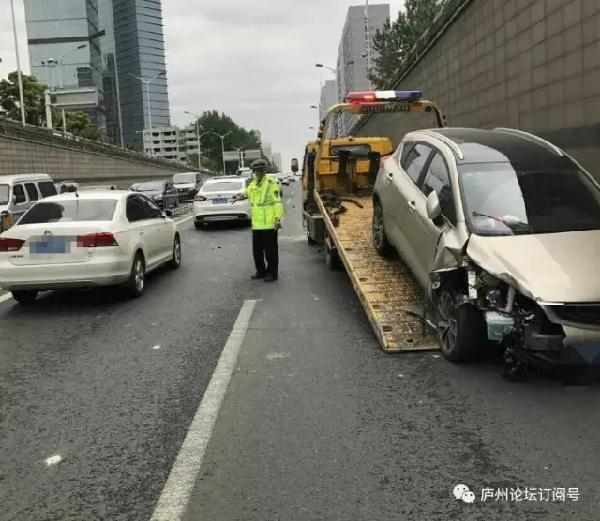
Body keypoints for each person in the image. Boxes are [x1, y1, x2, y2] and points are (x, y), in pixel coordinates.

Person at [236, 159, 284, 282]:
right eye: (255, 171)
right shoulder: (253, 184)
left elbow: (277, 203)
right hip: (256, 225)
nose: (257, 173)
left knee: (270, 252)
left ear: (263, 171)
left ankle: (272, 273)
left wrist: (278, 219)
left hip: (269, 224)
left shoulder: (271, 183)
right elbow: (247, 193)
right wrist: (238, 196)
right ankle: (260, 271)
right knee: (257, 252)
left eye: (259, 171)